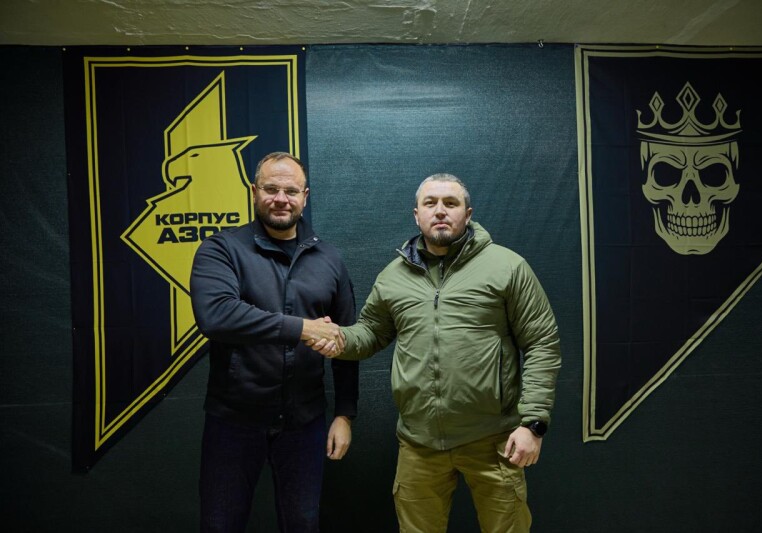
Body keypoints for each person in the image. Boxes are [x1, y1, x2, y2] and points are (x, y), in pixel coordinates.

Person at [315, 173, 560, 533]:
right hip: (419, 443)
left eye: (451, 203)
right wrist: (338, 338)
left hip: (493, 440)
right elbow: (370, 333)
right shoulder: (393, 277)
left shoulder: (507, 267)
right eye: (430, 203)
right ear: (417, 215)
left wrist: (533, 424)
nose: (440, 211)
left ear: (468, 213)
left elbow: (542, 343)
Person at [190, 152, 357, 533]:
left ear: (305, 196)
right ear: (254, 192)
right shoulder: (222, 249)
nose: (281, 198)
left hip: (305, 422)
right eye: (270, 189)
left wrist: (345, 414)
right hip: (233, 420)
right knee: (219, 525)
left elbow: (346, 341)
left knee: (303, 524)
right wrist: (302, 328)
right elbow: (216, 316)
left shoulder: (329, 258)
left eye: (291, 191)